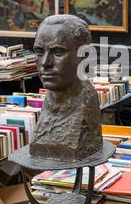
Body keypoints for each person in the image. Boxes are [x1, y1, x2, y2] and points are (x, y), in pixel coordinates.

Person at [30, 14, 102, 161]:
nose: (45, 63)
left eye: (58, 52)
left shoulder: (87, 103)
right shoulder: (49, 101)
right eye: (39, 52)